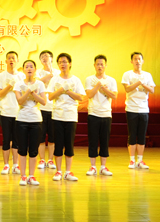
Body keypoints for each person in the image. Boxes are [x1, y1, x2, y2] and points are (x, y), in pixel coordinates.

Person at [48, 52, 84, 181]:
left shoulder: (76, 80)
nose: (62, 64)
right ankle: (58, 171)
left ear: (70, 64)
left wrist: (68, 91)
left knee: (69, 144)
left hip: (71, 116)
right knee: (58, 144)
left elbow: (80, 97)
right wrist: (60, 90)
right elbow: (50, 97)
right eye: (60, 62)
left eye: (64, 62)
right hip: (57, 115)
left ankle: (68, 172)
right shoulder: (55, 79)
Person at [14, 59, 47, 185]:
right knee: (22, 149)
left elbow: (43, 101)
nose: (29, 69)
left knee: (33, 149)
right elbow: (20, 101)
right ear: (23, 70)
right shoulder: (18, 84)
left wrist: (33, 93)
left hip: (36, 120)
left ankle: (31, 176)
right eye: (26, 66)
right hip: (22, 119)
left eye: (31, 66)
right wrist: (27, 91)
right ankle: (23, 176)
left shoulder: (40, 84)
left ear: (35, 69)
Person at [122, 51, 155, 170]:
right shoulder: (127, 74)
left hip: (144, 109)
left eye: (139, 59)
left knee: (141, 135)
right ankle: (132, 160)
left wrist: (143, 84)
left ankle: (140, 160)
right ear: (132, 61)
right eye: (135, 59)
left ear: (143, 61)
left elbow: (152, 90)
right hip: (131, 108)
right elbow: (127, 89)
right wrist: (138, 83)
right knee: (132, 135)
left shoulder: (147, 75)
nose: (137, 61)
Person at [85, 54, 117, 176]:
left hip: (106, 114)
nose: (100, 66)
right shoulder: (89, 79)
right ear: (94, 65)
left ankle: (103, 167)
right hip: (93, 113)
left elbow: (114, 96)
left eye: (102, 64)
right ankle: (93, 166)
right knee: (93, 140)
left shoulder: (111, 80)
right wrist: (98, 85)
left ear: (106, 65)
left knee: (105, 141)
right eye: (97, 64)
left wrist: (103, 88)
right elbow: (89, 95)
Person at [0, 51, 23, 175]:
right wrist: (9, 86)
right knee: (6, 139)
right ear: (6, 61)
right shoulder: (1, 76)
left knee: (16, 140)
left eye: (13, 58)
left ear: (17, 61)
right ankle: (6, 165)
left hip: (18, 111)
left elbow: (24, 93)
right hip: (5, 111)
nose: (11, 60)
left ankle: (15, 165)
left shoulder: (21, 76)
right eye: (9, 58)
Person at [35, 49, 58, 170]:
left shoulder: (58, 72)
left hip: (55, 109)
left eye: (46, 56)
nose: (44, 58)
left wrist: (52, 75)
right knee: (41, 136)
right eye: (42, 56)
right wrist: (49, 76)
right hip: (41, 108)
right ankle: (42, 159)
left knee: (53, 137)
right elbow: (37, 83)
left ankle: (51, 160)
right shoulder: (38, 72)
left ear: (52, 59)